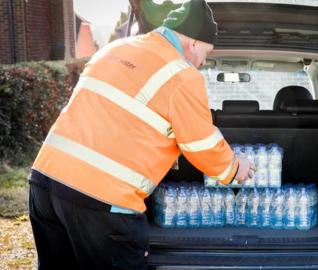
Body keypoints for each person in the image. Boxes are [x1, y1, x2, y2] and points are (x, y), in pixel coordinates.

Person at [28, 1, 255, 269]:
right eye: (207, 52)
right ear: (193, 42)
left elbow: (116, 118)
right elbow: (200, 143)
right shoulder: (182, 76)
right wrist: (234, 168)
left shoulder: (114, 50)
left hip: (45, 182)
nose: (204, 62)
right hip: (101, 201)